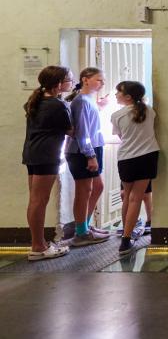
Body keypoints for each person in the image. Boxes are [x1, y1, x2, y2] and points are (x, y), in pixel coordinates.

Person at [22, 66, 74, 261]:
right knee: (40, 201)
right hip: (46, 155)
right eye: (69, 78)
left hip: (32, 153)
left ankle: (39, 242)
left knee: (35, 200)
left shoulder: (35, 101)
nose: (72, 81)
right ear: (59, 84)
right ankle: (38, 247)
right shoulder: (57, 105)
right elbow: (71, 131)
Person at [111, 81, 159, 256]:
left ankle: (127, 235)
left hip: (126, 158)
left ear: (128, 97)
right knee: (136, 198)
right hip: (147, 156)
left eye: (118, 92)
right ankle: (126, 239)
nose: (116, 94)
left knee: (127, 197)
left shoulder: (116, 115)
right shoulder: (149, 111)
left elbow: (121, 135)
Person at [65, 67, 110, 246]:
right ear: (85, 79)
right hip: (82, 151)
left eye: (103, 81)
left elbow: (91, 123)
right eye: (99, 80)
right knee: (84, 191)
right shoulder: (81, 101)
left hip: (93, 148)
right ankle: (81, 232)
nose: (102, 84)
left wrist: (100, 107)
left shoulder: (88, 100)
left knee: (97, 187)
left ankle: (84, 225)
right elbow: (82, 132)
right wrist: (90, 155)